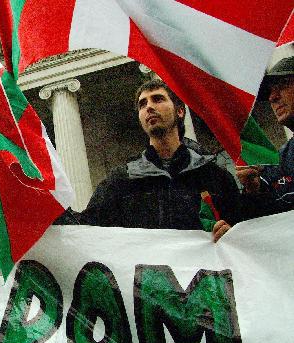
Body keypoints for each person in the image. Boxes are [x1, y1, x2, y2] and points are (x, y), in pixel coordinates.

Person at [64, 79, 242, 242]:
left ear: (180, 111)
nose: (149, 107)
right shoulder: (121, 180)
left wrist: (231, 235)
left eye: (157, 99)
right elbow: (86, 230)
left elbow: (245, 227)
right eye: (143, 104)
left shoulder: (214, 175)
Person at [236, 56, 294, 217]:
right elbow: (264, 226)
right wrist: (253, 189)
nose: (272, 97)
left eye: (283, 85)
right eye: (270, 91)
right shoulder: (279, 164)